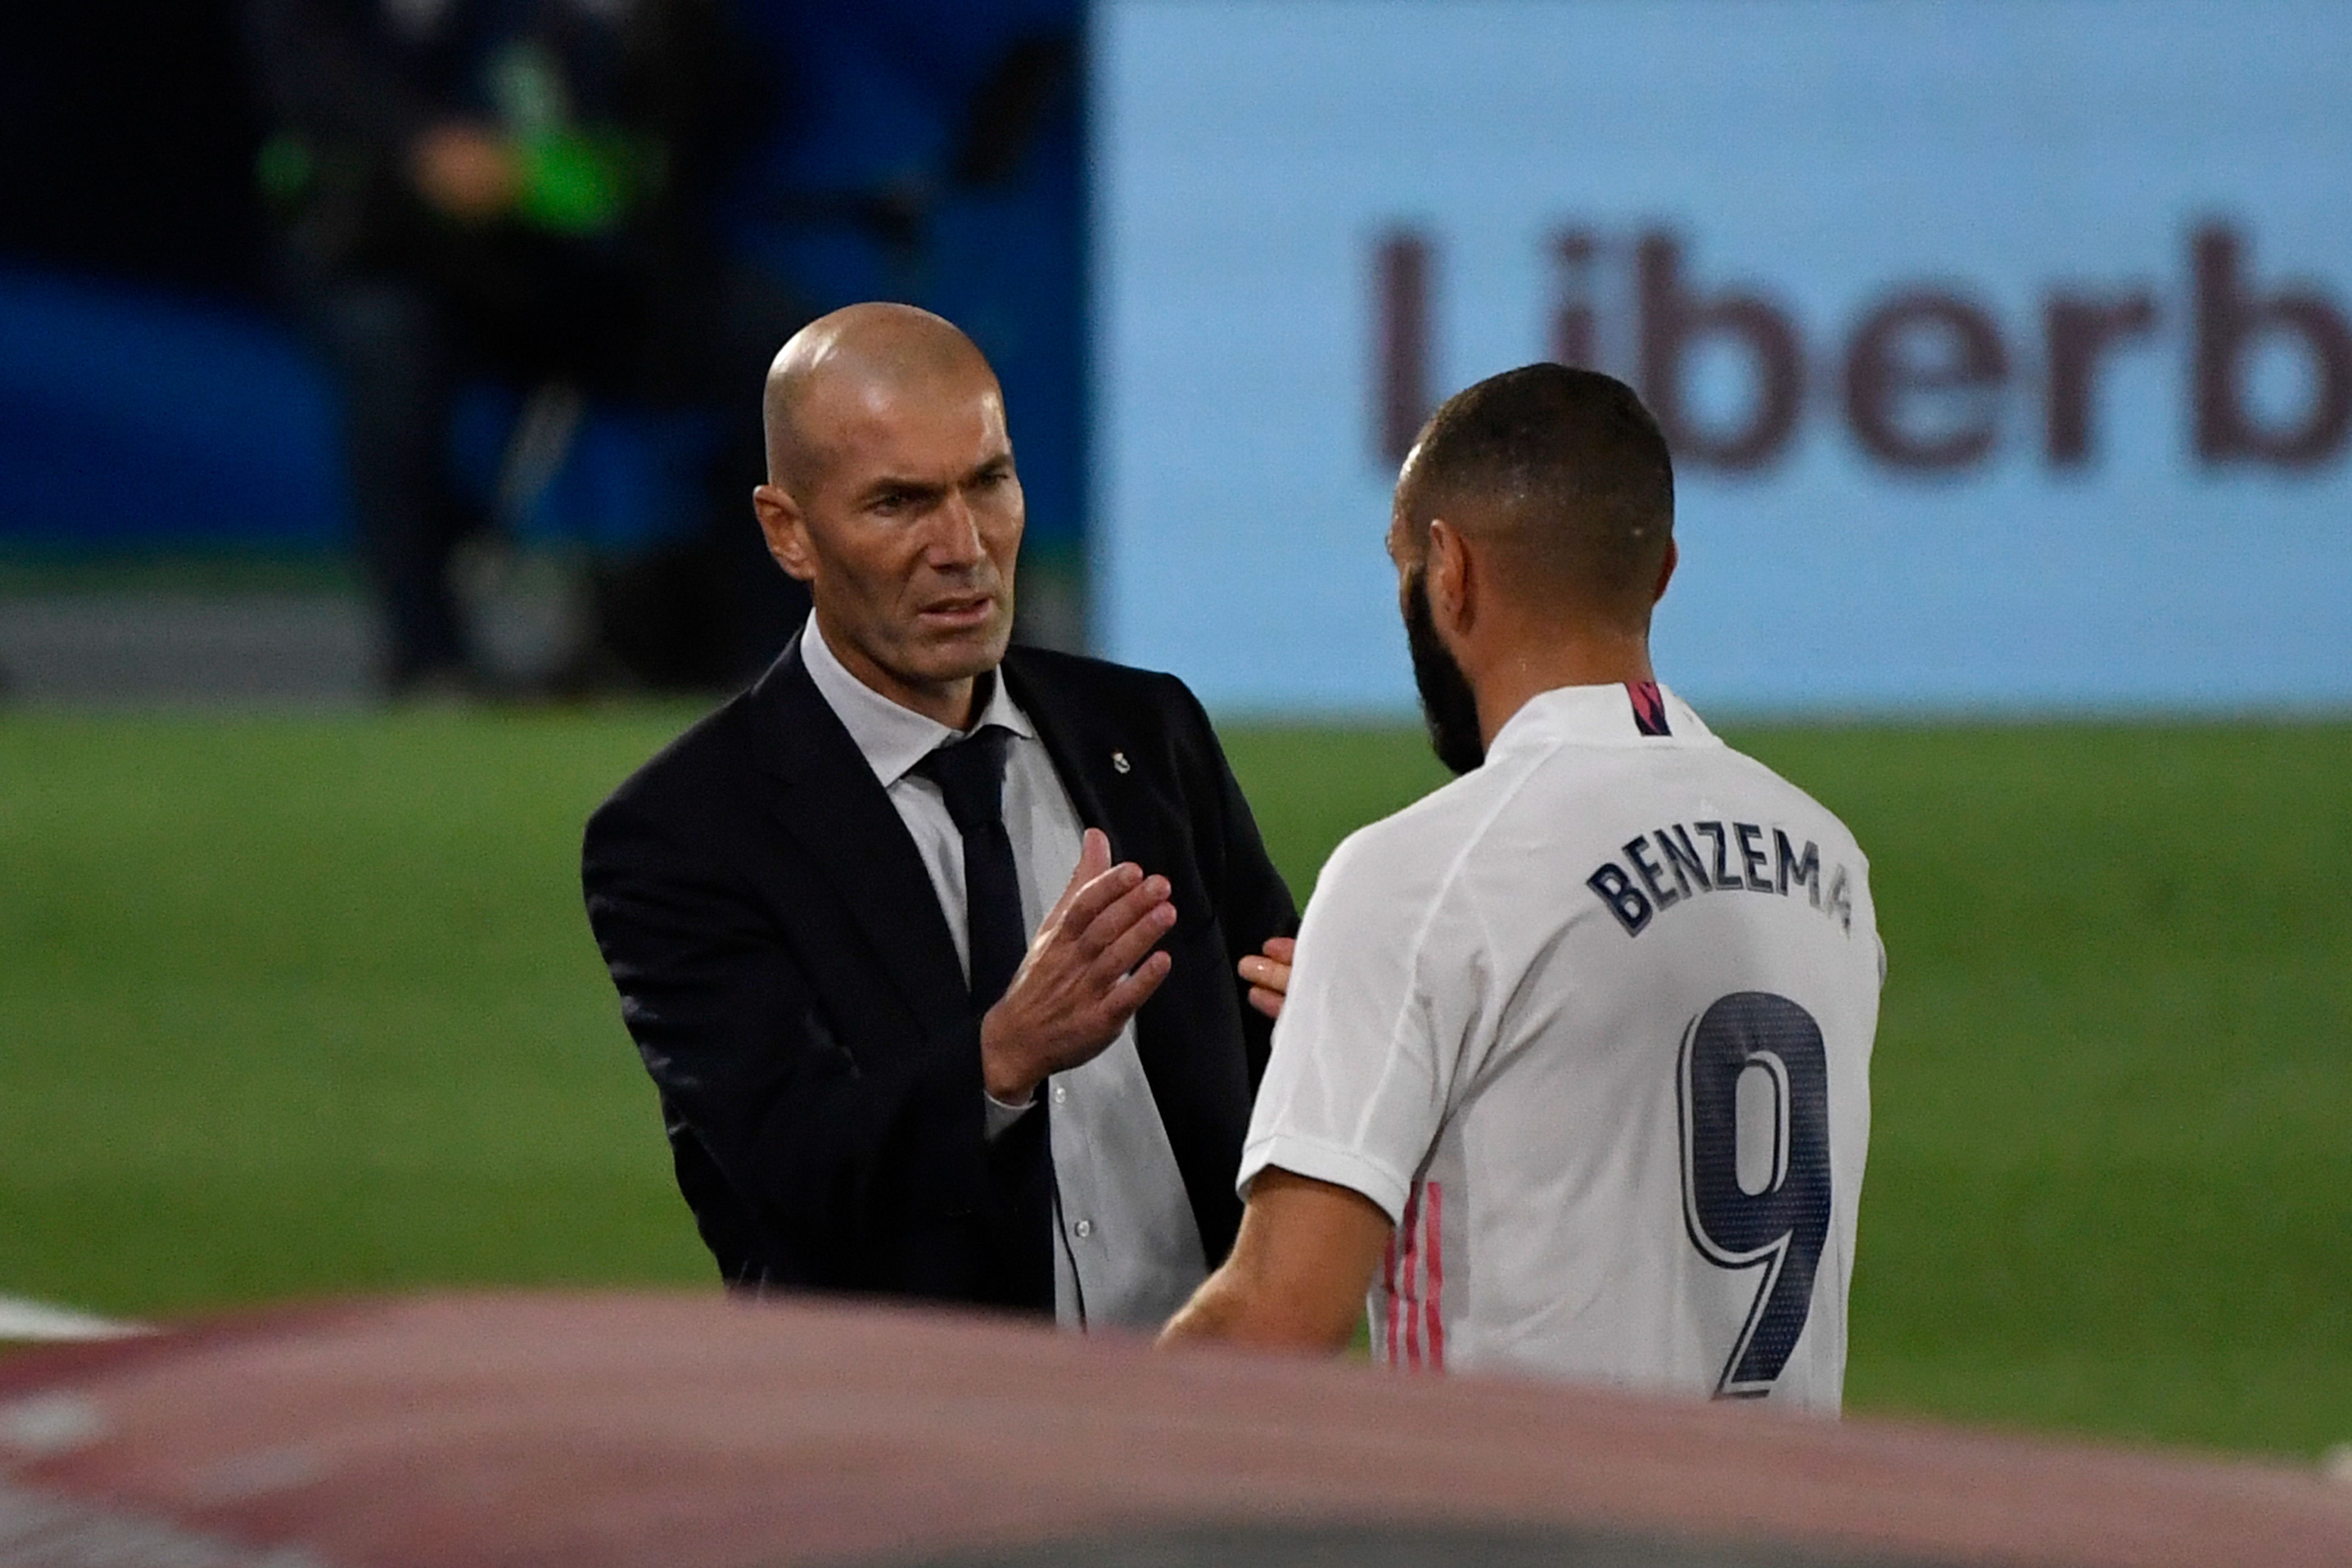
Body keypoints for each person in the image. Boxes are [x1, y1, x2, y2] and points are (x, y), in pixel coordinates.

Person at [1162, 365, 1883, 1413]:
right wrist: (1397, 1023)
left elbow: (1278, 1318)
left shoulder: (1424, 873)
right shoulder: (1828, 861)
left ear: (1449, 572)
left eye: (1405, 567)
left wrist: (1054, 1466)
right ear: (1663, 572)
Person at [582, 303, 1296, 1324]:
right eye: (899, 503)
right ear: (789, 531)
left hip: (1199, 1422)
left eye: (989, 482)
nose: (962, 546)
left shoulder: (1149, 733)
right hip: (926, 1451)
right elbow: (796, 1176)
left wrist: (1341, 1029)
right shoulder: (684, 835)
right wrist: (1003, 1054)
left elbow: (1281, 1050)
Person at [242, 0, 803, 695]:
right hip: (396, 255)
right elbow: (314, 75)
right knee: (390, 354)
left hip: (579, 265)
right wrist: (424, 145)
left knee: (782, 356)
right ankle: (430, 665)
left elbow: (701, 100)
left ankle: (777, 659)